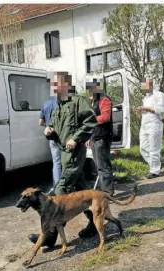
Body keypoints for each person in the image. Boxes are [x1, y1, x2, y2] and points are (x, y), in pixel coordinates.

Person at [28, 72, 97, 248]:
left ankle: (50, 235)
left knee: (61, 190)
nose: (53, 89)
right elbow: (56, 130)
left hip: (74, 153)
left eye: (55, 85)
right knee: (81, 188)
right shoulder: (59, 106)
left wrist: (76, 138)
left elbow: (90, 121)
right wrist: (49, 131)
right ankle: (94, 222)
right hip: (63, 154)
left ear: (65, 85)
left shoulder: (78, 101)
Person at [80, 79, 115, 239]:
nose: (90, 91)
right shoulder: (92, 101)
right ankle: (103, 190)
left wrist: (92, 120)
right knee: (98, 166)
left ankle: (107, 192)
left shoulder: (104, 99)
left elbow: (105, 117)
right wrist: (89, 137)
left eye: (91, 88)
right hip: (95, 138)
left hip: (103, 138)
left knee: (103, 166)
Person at [137, 79, 164, 179]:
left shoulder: (159, 95)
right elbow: (147, 110)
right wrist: (142, 109)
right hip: (144, 124)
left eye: (145, 85)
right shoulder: (145, 98)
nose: (143, 88)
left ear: (150, 85)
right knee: (143, 148)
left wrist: (146, 108)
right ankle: (155, 165)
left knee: (154, 148)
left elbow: (162, 110)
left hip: (155, 124)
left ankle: (154, 171)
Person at [39, 90, 60, 192]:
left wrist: (48, 126)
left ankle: (56, 188)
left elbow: (40, 122)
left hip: (51, 137)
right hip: (62, 136)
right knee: (65, 163)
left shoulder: (46, 104)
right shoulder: (61, 103)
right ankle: (64, 188)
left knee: (56, 162)